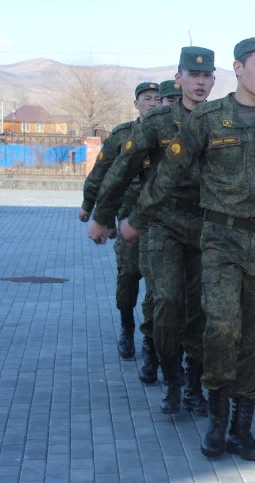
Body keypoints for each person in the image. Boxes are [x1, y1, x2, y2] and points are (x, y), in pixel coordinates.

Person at [118, 37, 255, 462]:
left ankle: (243, 428)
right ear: (238, 69)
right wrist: (136, 219)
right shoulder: (207, 119)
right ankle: (217, 420)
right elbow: (169, 174)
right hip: (220, 240)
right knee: (222, 329)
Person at [91, 47, 217, 414]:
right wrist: (102, 214)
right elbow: (123, 167)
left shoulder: (223, 120)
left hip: (207, 225)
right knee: (167, 301)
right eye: (193, 75)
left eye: (206, 76)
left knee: (202, 309)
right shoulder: (159, 122)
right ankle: (172, 379)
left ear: (213, 80)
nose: (200, 81)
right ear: (179, 78)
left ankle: (195, 384)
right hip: (162, 222)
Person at [82, 82, 159, 362]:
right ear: (136, 103)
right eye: (146, 98)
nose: (152, 103)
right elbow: (103, 173)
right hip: (127, 217)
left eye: (157, 98)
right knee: (128, 276)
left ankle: (152, 339)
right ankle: (127, 327)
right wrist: (90, 207)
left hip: (160, 221)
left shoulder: (170, 132)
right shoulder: (122, 135)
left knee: (158, 284)